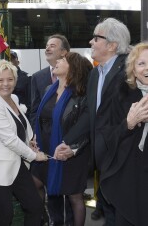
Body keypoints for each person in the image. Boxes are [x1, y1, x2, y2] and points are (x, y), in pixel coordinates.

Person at [56, 18, 131, 226]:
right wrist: (70, 143)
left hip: (123, 158)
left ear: (112, 45)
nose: (91, 41)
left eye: (96, 37)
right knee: (109, 210)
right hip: (102, 160)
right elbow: (92, 114)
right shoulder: (95, 74)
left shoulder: (129, 71)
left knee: (123, 213)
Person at [0, 59, 48, 226]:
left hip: (16, 164)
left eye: (10, 79)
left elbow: (20, 126)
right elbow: (9, 139)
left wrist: (29, 140)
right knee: (5, 214)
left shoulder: (13, 99)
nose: (5, 84)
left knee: (35, 207)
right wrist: (34, 156)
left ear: (15, 80)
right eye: (0, 80)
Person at [33, 52, 93, 226]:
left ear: (73, 68)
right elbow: (43, 118)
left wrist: (72, 148)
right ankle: (49, 220)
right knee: (38, 183)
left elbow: (85, 128)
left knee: (74, 196)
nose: (57, 61)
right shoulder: (48, 90)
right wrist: (36, 135)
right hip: (46, 149)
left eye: (63, 60)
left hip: (70, 153)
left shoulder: (80, 95)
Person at [100, 42, 148, 226]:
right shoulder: (121, 95)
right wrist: (129, 123)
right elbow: (109, 137)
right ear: (133, 71)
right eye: (141, 63)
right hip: (129, 178)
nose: (147, 68)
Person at [30, 34, 73, 225]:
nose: (47, 48)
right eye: (46, 45)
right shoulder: (38, 77)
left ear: (64, 52)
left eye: (53, 45)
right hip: (46, 142)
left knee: (71, 189)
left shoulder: (75, 75)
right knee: (50, 185)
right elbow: (34, 110)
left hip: (68, 141)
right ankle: (55, 220)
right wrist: (35, 137)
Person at [10, 50, 31, 120]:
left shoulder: (25, 78)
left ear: (18, 62)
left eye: (12, 59)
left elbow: (29, 100)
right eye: (8, 59)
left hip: (21, 115)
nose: (10, 61)